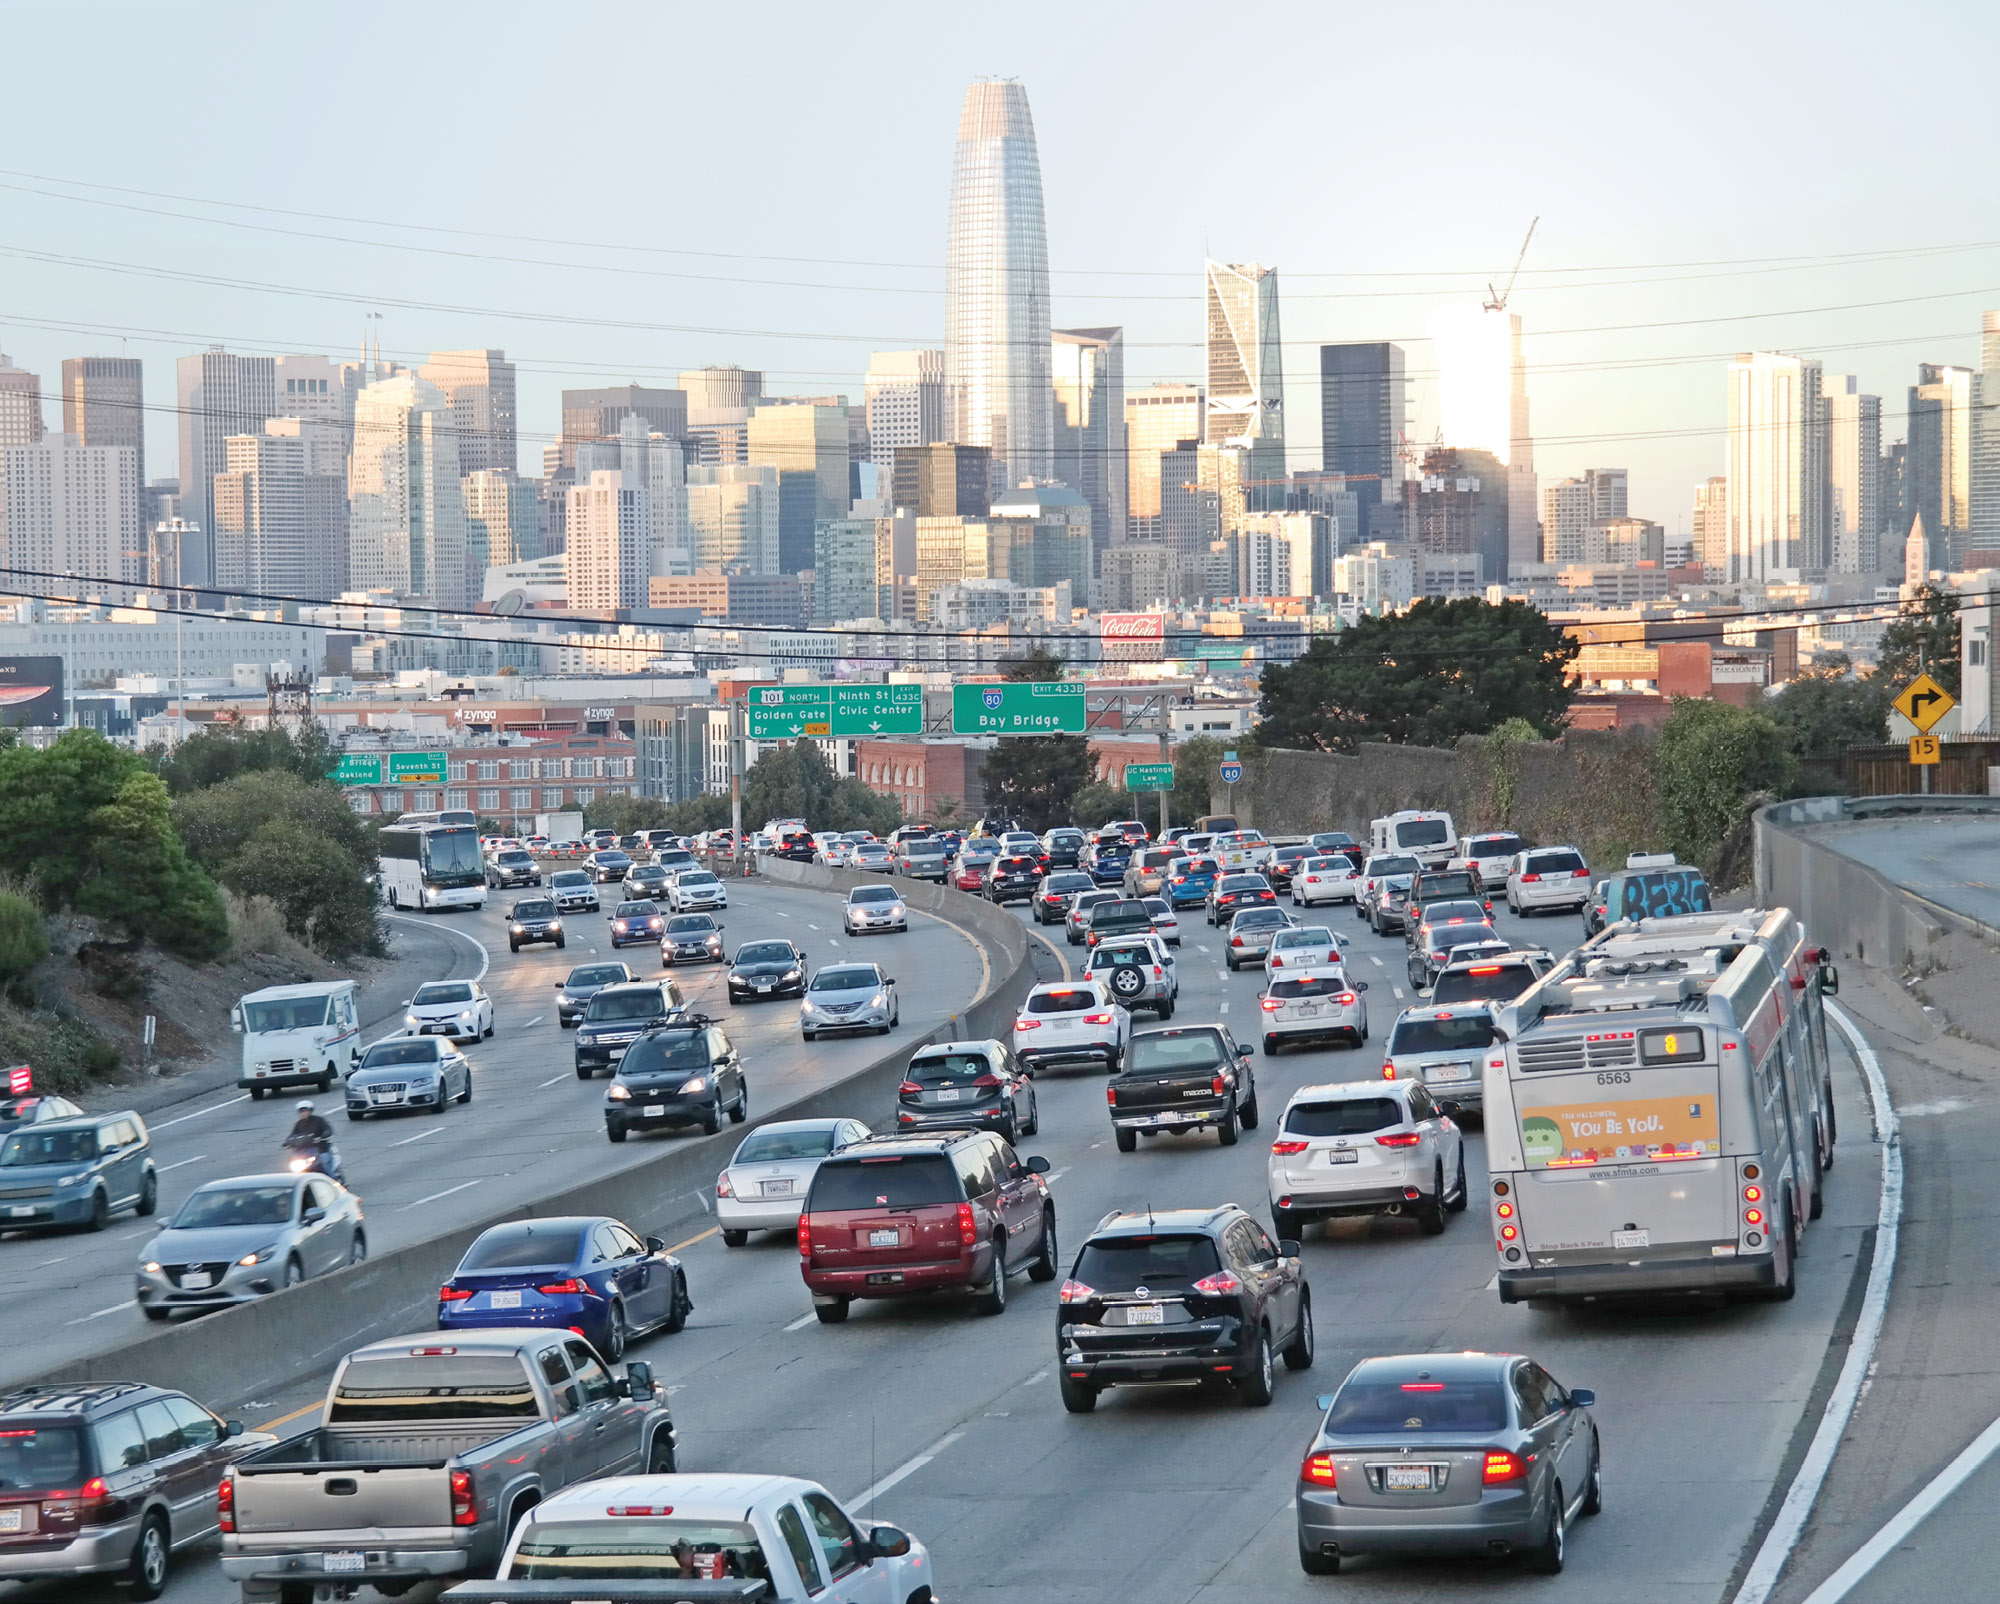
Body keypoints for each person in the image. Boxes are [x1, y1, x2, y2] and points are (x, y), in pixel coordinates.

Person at [286, 1100, 342, 1180]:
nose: (304, 1113)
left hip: (321, 1149)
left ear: (310, 1111)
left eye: (306, 1111)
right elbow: (292, 1135)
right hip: (305, 1151)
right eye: (301, 1111)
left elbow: (328, 1129)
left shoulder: (318, 1120)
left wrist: (324, 1135)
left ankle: (333, 1181)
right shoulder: (299, 1124)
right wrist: (287, 1143)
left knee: (325, 1164)